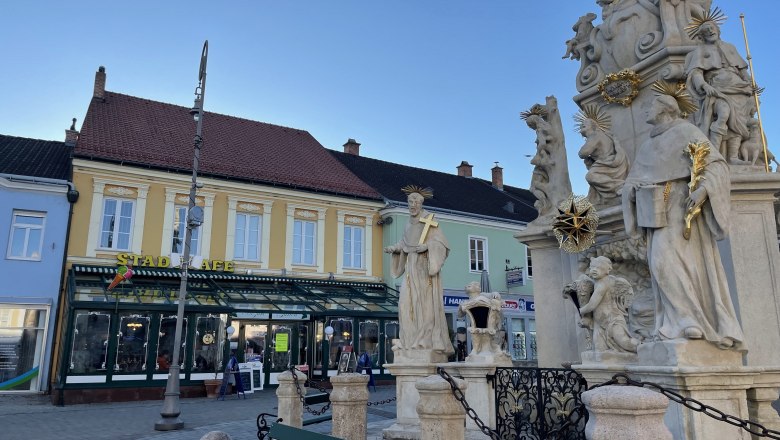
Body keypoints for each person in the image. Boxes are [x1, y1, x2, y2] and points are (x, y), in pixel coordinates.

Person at [622, 91, 744, 349]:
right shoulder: (646, 146)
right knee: (659, 264)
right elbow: (632, 180)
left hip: (680, 205)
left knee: (670, 261)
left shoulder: (686, 132)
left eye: (650, 106)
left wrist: (703, 190)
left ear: (666, 109)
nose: (645, 111)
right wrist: (632, 190)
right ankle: (679, 320)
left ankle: (691, 320)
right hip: (654, 211)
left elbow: (716, 165)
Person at [384, 186, 454, 360]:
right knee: (404, 304)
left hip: (424, 267)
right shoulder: (408, 223)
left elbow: (442, 244)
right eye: (410, 201)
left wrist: (428, 246)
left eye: (416, 202)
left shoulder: (429, 219)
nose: (412, 205)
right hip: (410, 268)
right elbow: (405, 242)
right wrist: (394, 248)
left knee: (425, 305)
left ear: (421, 203)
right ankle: (408, 340)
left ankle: (425, 340)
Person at [684, 16, 753, 164]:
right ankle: (714, 155)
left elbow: (741, 69)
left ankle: (733, 157)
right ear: (701, 36)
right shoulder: (700, 51)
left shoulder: (730, 47)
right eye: (705, 30)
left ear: (717, 30)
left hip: (739, 89)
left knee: (738, 122)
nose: (710, 31)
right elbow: (695, 73)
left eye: (712, 28)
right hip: (718, 90)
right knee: (724, 114)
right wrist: (704, 86)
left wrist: (749, 82)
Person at [577, 116, 629, 207]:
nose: (582, 124)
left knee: (590, 176)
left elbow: (583, 153)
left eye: (586, 123)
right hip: (610, 162)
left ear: (593, 126)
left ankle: (620, 186)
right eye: (582, 124)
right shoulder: (603, 134)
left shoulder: (594, 135)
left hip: (606, 163)